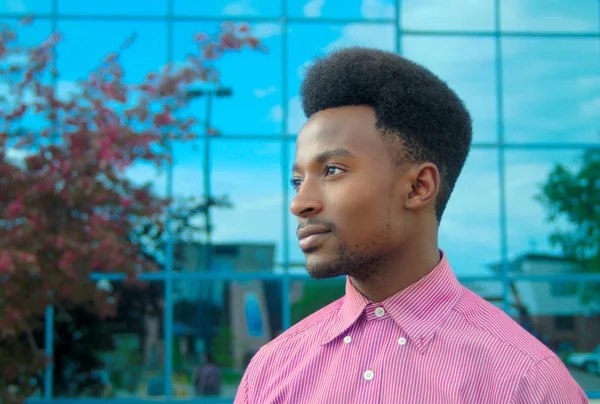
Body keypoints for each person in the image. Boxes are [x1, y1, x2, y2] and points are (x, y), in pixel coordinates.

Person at [233, 47, 587, 403]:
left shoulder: (526, 380)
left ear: (418, 187)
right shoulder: (271, 371)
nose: (299, 203)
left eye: (332, 171)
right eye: (297, 181)